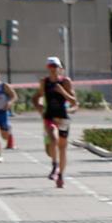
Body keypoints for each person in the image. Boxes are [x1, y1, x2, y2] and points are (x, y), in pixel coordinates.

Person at [39, 57, 76, 188]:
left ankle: (61, 175)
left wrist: (62, 91)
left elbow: (73, 101)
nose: (53, 69)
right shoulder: (44, 82)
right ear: (47, 68)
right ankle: (54, 165)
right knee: (53, 139)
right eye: (51, 67)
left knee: (62, 148)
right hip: (49, 116)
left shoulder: (65, 82)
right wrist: (40, 107)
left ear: (60, 68)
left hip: (63, 117)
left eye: (55, 67)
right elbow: (39, 97)